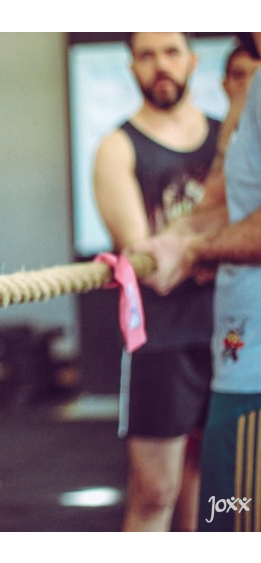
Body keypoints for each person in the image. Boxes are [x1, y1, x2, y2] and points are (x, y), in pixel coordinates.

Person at [130, 32, 261, 532]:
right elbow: (225, 204)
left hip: (251, 374)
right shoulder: (251, 96)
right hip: (230, 356)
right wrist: (176, 239)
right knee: (220, 518)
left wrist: (193, 249)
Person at [93, 32, 220, 531]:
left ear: (191, 59)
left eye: (170, 52)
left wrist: (196, 250)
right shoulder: (117, 147)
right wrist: (216, 249)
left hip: (229, 330)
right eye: (146, 55)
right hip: (160, 339)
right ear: (132, 67)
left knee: (213, 484)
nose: (160, 65)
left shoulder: (225, 139)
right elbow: (151, 261)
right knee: (155, 491)